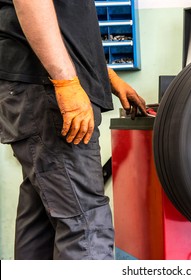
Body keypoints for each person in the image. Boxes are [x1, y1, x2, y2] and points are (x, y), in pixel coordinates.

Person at [0, 0, 147, 259]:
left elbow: (68, 28)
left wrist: (107, 76)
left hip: (37, 88)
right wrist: (65, 81)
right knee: (86, 225)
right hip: (45, 90)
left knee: (42, 218)